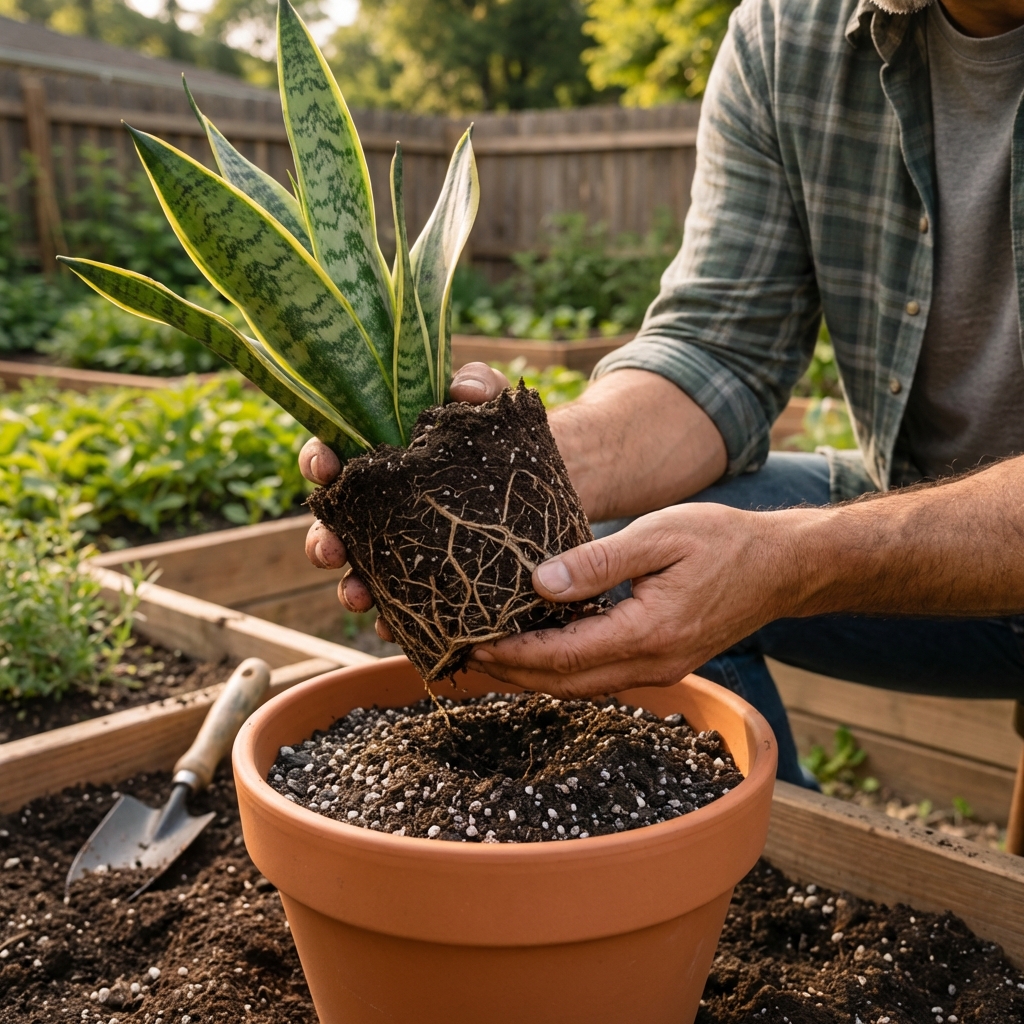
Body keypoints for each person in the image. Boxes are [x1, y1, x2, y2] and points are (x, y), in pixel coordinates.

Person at [299, 0, 1024, 787]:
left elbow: (787, 552)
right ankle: (763, 859)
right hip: (917, 497)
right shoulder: (790, 34)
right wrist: (512, 473)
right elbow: (718, 348)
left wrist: (796, 559)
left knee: (724, 558)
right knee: (614, 538)